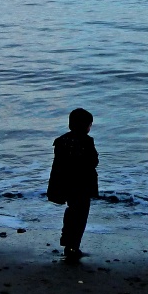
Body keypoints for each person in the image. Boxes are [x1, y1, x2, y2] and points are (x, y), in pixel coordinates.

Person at [47, 108, 99, 261]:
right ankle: (74, 246)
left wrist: (55, 188)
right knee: (81, 215)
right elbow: (94, 161)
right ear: (86, 126)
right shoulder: (87, 141)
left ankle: (67, 241)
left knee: (71, 212)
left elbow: (57, 167)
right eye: (90, 125)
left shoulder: (61, 141)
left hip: (67, 184)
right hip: (83, 185)